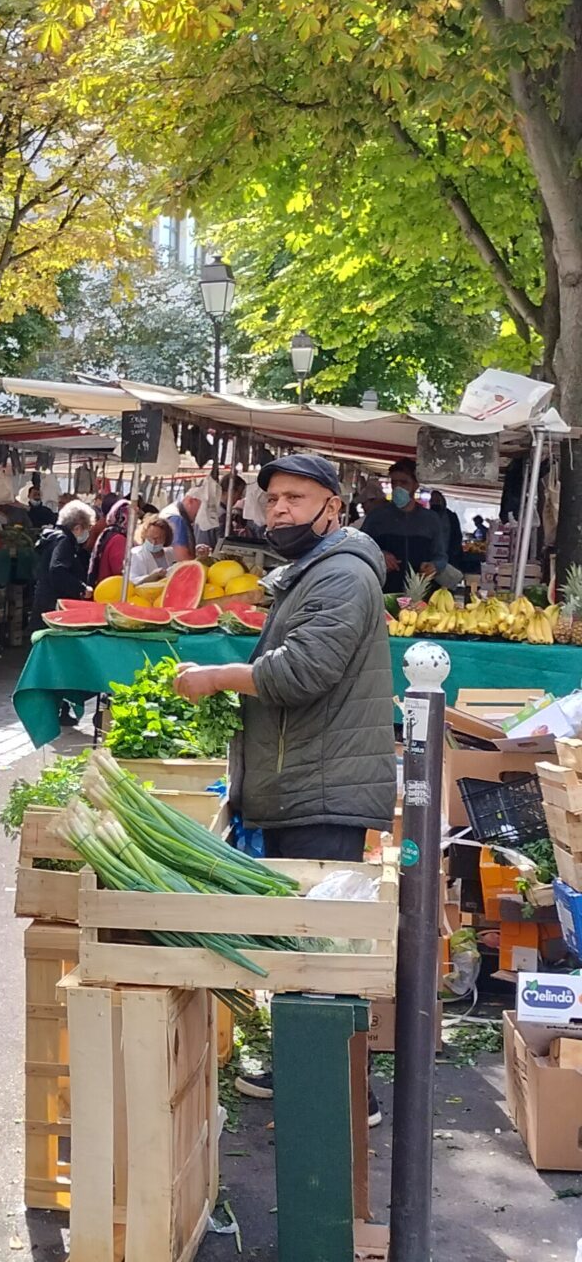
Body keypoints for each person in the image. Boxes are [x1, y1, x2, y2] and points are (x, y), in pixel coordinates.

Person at [172, 454, 396, 1118]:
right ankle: (310, 1070)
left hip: (323, 782)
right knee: (306, 941)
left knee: (320, 946)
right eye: (272, 499)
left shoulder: (345, 574)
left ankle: (346, 1094)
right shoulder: (317, 569)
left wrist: (217, 677)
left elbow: (304, 669)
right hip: (306, 775)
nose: (279, 510)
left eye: (295, 498)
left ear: (334, 504)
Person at [361, 458, 448, 587]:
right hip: (382, 591)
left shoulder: (431, 519)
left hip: (420, 594)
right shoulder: (377, 516)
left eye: (404, 483)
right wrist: (379, 555)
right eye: (394, 483)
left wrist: (434, 566)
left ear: (416, 485)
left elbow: (441, 556)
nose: (398, 487)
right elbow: (360, 546)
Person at [31, 498, 94, 629]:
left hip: (44, 601)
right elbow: (57, 569)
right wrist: (81, 587)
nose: (87, 533)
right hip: (54, 605)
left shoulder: (53, 538)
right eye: (87, 528)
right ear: (77, 528)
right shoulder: (64, 542)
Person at [88, 495, 130, 587]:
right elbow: (121, 571)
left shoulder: (109, 532)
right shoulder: (119, 539)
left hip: (104, 586)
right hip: (111, 591)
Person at [128, 514, 181, 586]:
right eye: (150, 538)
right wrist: (150, 577)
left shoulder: (171, 553)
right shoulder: (136, 554)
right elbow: (131, 581)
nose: (153, 543)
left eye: (158, 539)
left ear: (166, 538)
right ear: (145, 535)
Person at [428, 489, 465, 574]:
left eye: (437, 501)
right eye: (433, 501)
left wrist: (454, 552)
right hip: (432, 557)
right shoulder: (427, 517)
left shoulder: (451, 516)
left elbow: (457, 535)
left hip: (450, 556)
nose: (435, 503)